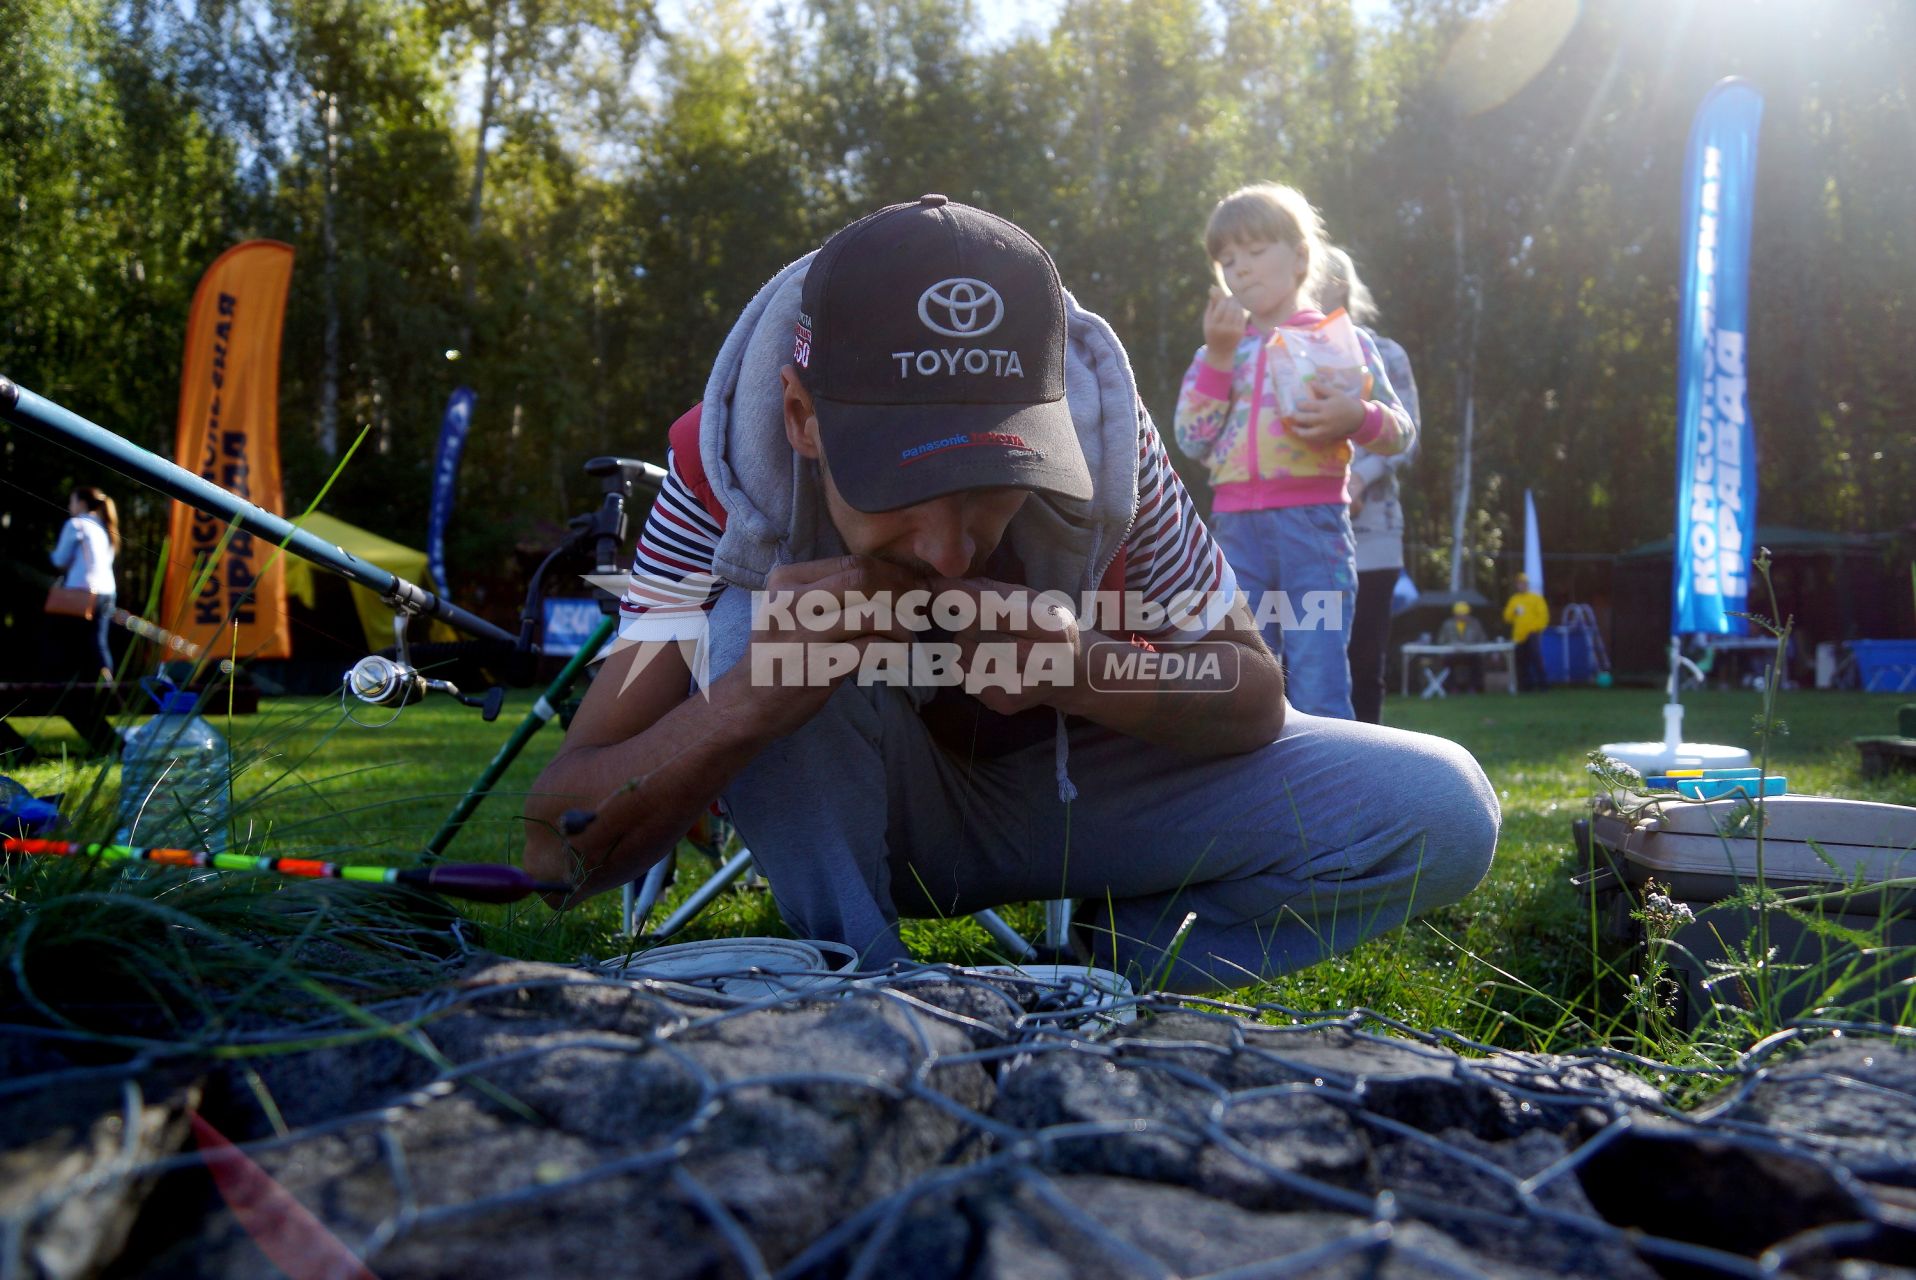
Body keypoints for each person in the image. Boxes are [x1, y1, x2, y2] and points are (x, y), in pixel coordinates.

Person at [523, 195, 1496, 993]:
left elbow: (1252, 694)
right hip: (885, 812)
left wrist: (1081, 667)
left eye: (993, 487)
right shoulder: (723, 466)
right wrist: (746, 703)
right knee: (748, 631)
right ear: (801, 418)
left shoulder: (1108, 444)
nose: (948, 554)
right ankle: (861, 993)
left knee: (1444, 804)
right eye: (903, 490)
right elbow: (552, 847)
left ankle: (1118, 973)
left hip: (1090, 795)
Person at [1173, 183, 1414, 721]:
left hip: (1313, 529)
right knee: (1247, 673)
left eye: (1256, 252)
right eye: (1227, 260)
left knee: (1317, 673)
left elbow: (1400, 431)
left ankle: (1331, 800)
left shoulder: (1336, 340)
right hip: (1235, 531)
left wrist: (1358, 417)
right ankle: (1263, 794)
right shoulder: (1219, 351)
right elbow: (1193, 439)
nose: (1241, 270)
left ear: (1301, 257)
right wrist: (1216, 357)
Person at [1320, 246, 1420, 725]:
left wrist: (1357, 478)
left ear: (1339, 285)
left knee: (1363, 664)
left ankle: (1365, 785)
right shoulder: (1268, 354)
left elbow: (1406, 434)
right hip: (1300, 536)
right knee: (1293, 665)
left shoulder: (1384, 352)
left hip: (1373, 538)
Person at [48, 486, 119, 682]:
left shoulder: (76, 524)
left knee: (72, 645)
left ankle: (75, 693)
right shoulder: (105, 527)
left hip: (80, 593)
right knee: (98, 643)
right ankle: (106, 691)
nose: (70, 506)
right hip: (107, 591)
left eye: (72, 501)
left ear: (81, 503)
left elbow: (60, 560)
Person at [1504, 573, 1550, 691]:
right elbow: (1507, 617)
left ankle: (1543, 685)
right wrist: (1514, 612)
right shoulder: (1514, 600)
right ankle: (1526, 687)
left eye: (1523, 583)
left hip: (1532, 633)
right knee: (1521, 661)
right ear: (1517, 585)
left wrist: (1536, 629)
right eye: (1519, 583)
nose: (1521, 586)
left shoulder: (1536, 598)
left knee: (1536, 659)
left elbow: (1543, 616)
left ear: (1527, 585)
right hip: (1519, 636)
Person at [1436, 601, 1487, 694]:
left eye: (1465, 614)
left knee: (1477, 661)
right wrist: (1451, 645)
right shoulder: (1447, 625)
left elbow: (1482, 639)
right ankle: (1452, 688)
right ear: (1455, 614)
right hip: (1453, 654)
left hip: (1471, 654)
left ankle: (1473, 688)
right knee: (1447, 663)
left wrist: (1474, 647)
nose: (1463, 616)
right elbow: (1441, 641)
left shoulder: (1475, 623)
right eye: (1460, 614)